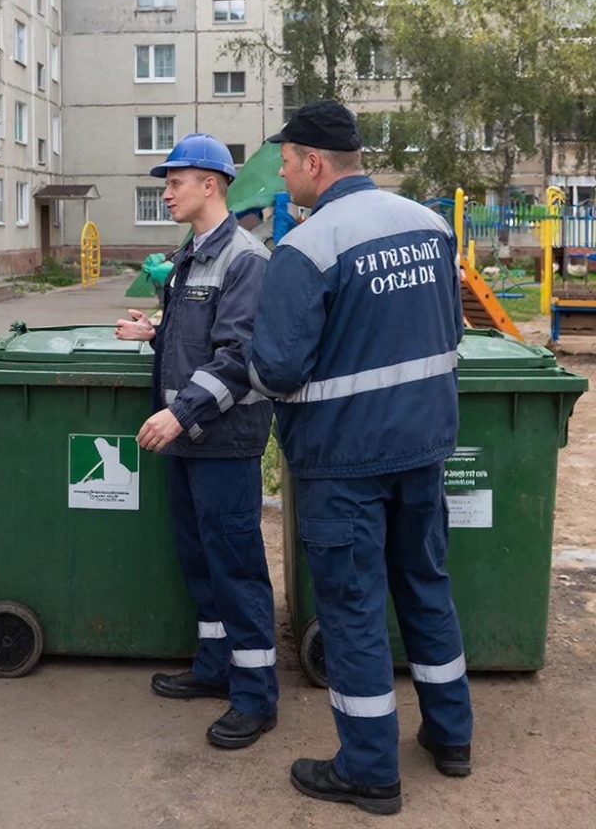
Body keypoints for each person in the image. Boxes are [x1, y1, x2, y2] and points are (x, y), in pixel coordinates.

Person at [247, 101, 473, 815]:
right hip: (424, 447)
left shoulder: (309, 247)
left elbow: (277, 370)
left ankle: (370, 769)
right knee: (426, 586)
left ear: (315, 163)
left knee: (351, 612)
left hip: (344, 461)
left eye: (285, 163)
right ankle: (452, 736)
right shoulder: (430, 225)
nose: (282, 177)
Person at [115, 133, 279, 750]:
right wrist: (152, 332)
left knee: (236, 567)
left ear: (210, 184)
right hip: (188, 436)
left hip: (222, 437)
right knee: (201, 560)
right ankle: (215, 668)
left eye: (174, 181)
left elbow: (238, 356)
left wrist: (179, 414)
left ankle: (256, 696)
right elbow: (194, 337)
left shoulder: (244, 258)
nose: (166, 191)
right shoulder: (192, 255)